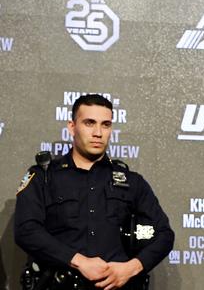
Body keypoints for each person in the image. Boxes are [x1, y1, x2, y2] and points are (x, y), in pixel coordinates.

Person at [14, 94, 174, 290]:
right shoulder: (43, 177)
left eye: (105, 125)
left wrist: (131, 268)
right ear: (72, 127)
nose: (98, 132)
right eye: (89, 123)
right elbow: (26, 231)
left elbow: (164, 235)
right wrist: (78, 261)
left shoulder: (132, 182)